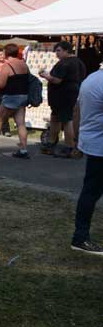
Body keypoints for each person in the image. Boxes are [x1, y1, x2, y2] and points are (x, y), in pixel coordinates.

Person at [71, 67, 103, 254]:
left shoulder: (91, 78)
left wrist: (77, 140)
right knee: (91, 192)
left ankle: (80, 236)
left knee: (91, 191)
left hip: (92, 141)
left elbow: (77, 111)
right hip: (99, 145)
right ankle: (80, 237)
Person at [41, 41, 86, 158]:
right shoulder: (78, 62)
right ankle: (51, 143)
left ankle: (69, 147)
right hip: (69, 94)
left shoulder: (65, 63)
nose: (56, 53)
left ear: (66, 50)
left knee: (66, 120)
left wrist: (45, 75)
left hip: (63, 96)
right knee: (55, 118)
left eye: (59, 50)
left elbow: (57, 80)